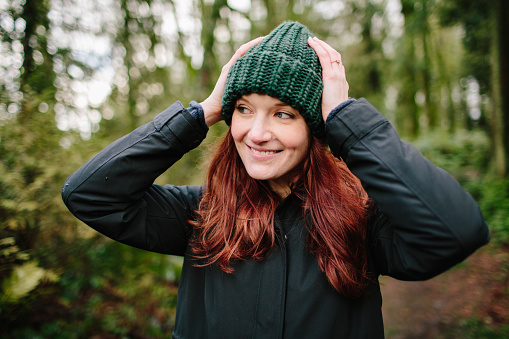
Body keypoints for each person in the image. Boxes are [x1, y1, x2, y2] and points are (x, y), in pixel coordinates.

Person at [62, 22, 489, 338]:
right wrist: (204, 111)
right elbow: (90, 193)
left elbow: (456, 230)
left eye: (283, 113)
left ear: (316, 126)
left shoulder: (361, 221)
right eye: (244, 109)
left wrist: (348, 122)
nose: (256, 132)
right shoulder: (201, 214)